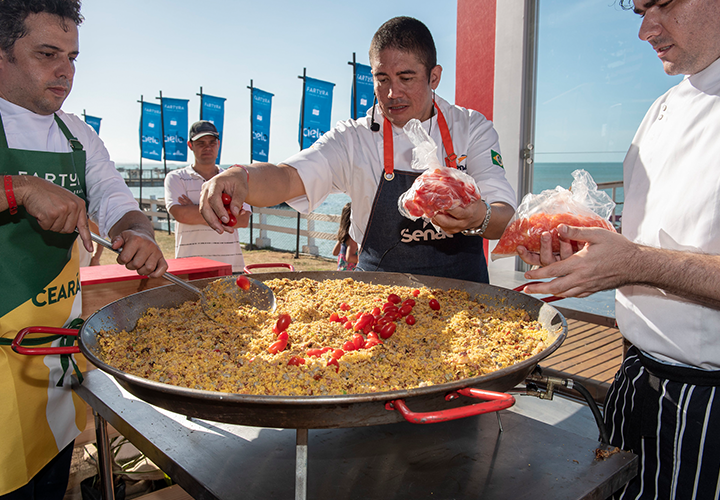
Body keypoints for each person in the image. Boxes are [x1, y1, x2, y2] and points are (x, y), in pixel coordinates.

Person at [517, 1, 720, 498]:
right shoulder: (660, 110)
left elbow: (642, 258)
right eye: (639, 11)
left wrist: (633, 263)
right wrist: (575, 246)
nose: (646, 29)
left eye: (664, 4)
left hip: (709, 401)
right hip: (632, 379)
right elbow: (646, 238)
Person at [199, 16, 516, 283]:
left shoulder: (472, 128)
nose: (392, 93)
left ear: (435, 76)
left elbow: (504, 214)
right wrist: (240, 176)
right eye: (382, 79)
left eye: (406, 77)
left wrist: (480, 216)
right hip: (380, 299)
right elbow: (287, 178)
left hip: (468, 298)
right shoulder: (353, 138)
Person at [0, 1, 167, 498]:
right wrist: (20, 189)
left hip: (52, 366)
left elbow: (121, 204)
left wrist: (139, 234)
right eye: (47, 54)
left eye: (72, 57)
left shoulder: (79, 134)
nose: (65, 72)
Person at [164, 120, 251, 273]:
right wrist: (226, 211)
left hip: (231, 265)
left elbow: (243, 220)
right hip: (189, 266)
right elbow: (181, 215)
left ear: (218, 144)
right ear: (190, 146)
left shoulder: (233, 178)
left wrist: (196, 209)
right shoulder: (176, 178)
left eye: (212, 142)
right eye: (201, 143)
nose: (207, 147)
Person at [332, 202, 358, 271]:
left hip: (340, 272)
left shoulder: (343, 234)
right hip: (350, 275)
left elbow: (335, 252)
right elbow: (349, 258)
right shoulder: (353, 235)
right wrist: (366, 260)